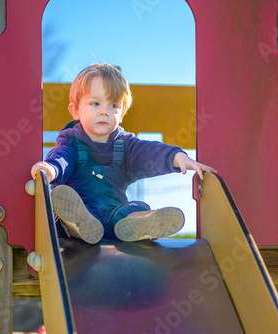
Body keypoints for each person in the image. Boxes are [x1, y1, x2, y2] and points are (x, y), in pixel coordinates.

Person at [31, 63, 215, 244]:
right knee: (66, 203)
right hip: (79, 212)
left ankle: (142, 222)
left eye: (113, 105)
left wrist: (177, 157)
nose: (104, 111)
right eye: (95, 103)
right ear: (75, 110)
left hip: (113, 217)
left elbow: (148, 152)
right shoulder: (71, 141)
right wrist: (51, 169)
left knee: (136, 207)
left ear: (122, 114)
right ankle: (77, 226)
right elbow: (63, 158)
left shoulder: (125, 145)